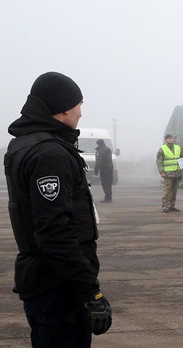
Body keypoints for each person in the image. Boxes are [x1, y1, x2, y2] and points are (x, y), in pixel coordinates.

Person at [4, 72, 112, 347]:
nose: (80, 112)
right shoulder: (50, 154)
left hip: (48, 280)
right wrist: (90, 291)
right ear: (63, 108)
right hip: (57, 287)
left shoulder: (25, 144)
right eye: (78, 104)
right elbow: (54, 231)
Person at [156, 134, 183, 213]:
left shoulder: (178, 148)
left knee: (174, 191)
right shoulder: (162, 149)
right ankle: (165, 206)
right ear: (166, 140)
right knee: (167, 191)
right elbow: (159, 161)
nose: (170, 139)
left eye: (171, 138)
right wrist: (161, 172)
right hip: (168, 174)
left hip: (177, 173)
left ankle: (171, 206)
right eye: (168, 138)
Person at [94, 139, 113, 203]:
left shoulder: (102, 150)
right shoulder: (106, 149)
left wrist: (96, 169)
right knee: (108, 183)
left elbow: (99, 161)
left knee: (105, 183)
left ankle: (107, 198)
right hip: (108, 169)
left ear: (99, 144)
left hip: (105, 169)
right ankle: (108, 197)